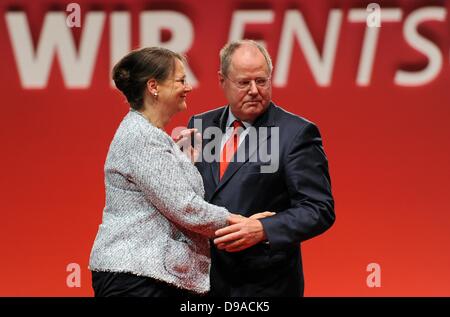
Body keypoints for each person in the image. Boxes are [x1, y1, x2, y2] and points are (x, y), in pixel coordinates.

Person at [88, 47, 262, 297]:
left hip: (149, 277)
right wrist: (247, 224)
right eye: (181, 80)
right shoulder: (142, 137)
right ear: (153, 87)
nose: (188, 87)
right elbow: (186, 208)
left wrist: (183, 162)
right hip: (137, 279)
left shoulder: (154, 137)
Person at [187, 40, 335, 297]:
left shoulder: (296, 133)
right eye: (244, 83)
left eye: (262, 81)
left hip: (264, 285)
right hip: (204, 283)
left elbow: (318, 208)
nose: (254, 90)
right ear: (222, 80)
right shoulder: (199, 125)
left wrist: (264, 229)